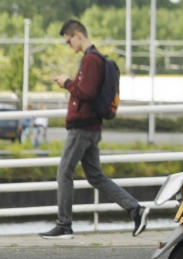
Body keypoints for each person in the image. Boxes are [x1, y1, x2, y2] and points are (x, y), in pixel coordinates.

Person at [38, 19, 149, 239]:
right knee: (96, 177)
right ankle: (136, 210)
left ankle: (64, 225)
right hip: (91, 127)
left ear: (77, 35)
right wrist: (70, 82)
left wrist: (67, 82)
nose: (69, 46)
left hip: (82, 128)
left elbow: (86, 92)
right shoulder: (94, 58)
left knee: (64, 173)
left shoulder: (90, 59)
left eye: (69, 41)